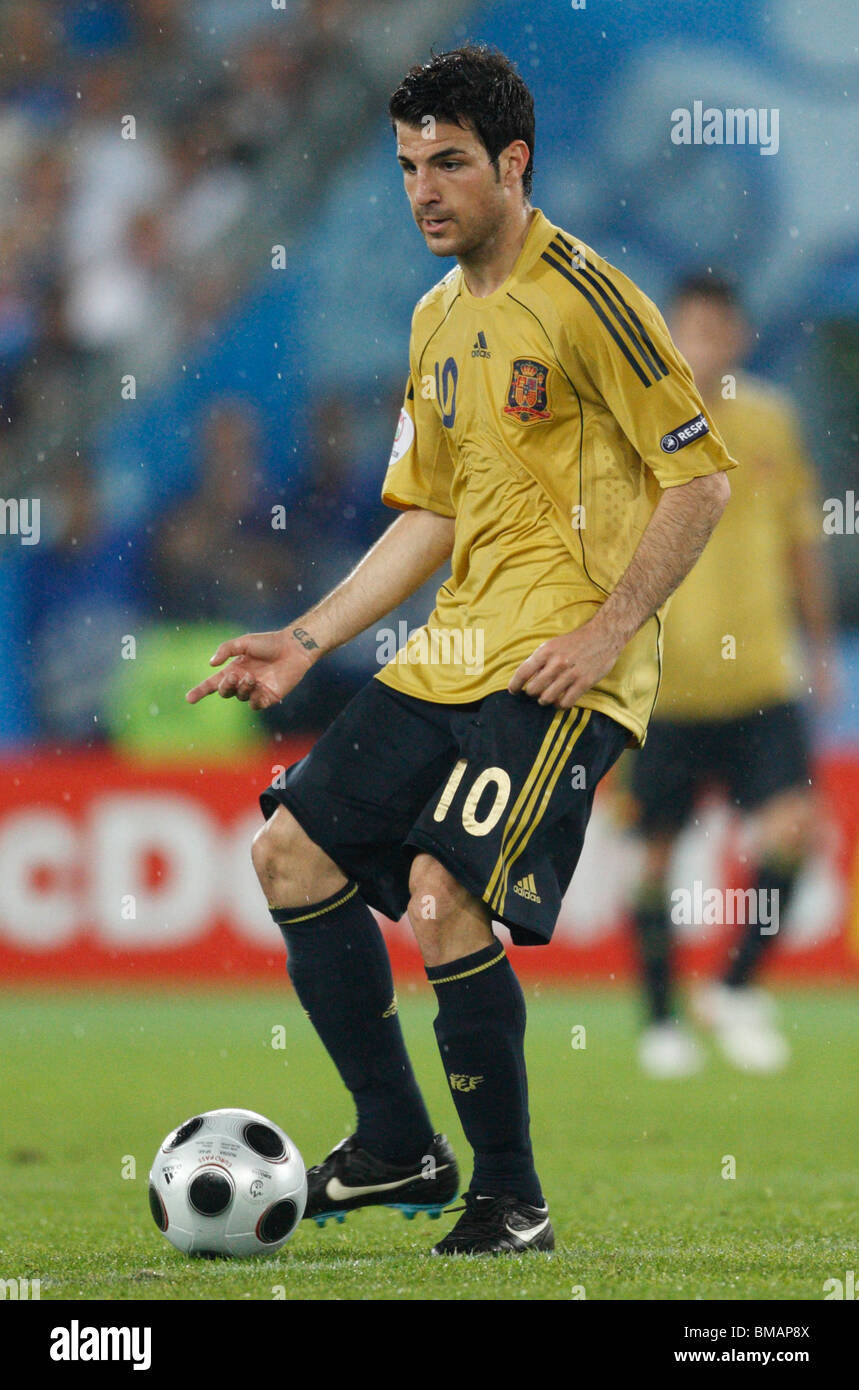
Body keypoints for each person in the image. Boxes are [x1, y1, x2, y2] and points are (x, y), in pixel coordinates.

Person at [186, 46, 735, 1255]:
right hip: (447, 654)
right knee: (289, 853)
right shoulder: (436, 316)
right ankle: (394, 1144)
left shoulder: (590, 297)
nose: (422, 190)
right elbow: (431, 510)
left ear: (512, 163)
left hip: (559, 672)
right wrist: (304, 635)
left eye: (447, 164)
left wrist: (606, 632)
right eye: (405, 167)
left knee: (442, 899)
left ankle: (512, 1199)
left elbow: (699, 479)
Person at [629, 274, 834, 1079]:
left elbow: (800, 540)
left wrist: (819, 647)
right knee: (652, 855)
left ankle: (734, 986)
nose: (704, 344)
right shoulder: (638, 425)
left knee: (794, 829)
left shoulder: (771, 420)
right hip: (664, 685)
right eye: (690, 330)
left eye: (718, 329)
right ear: (669, 338)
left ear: (740, 337)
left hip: (759, 678)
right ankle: (658, 1021)